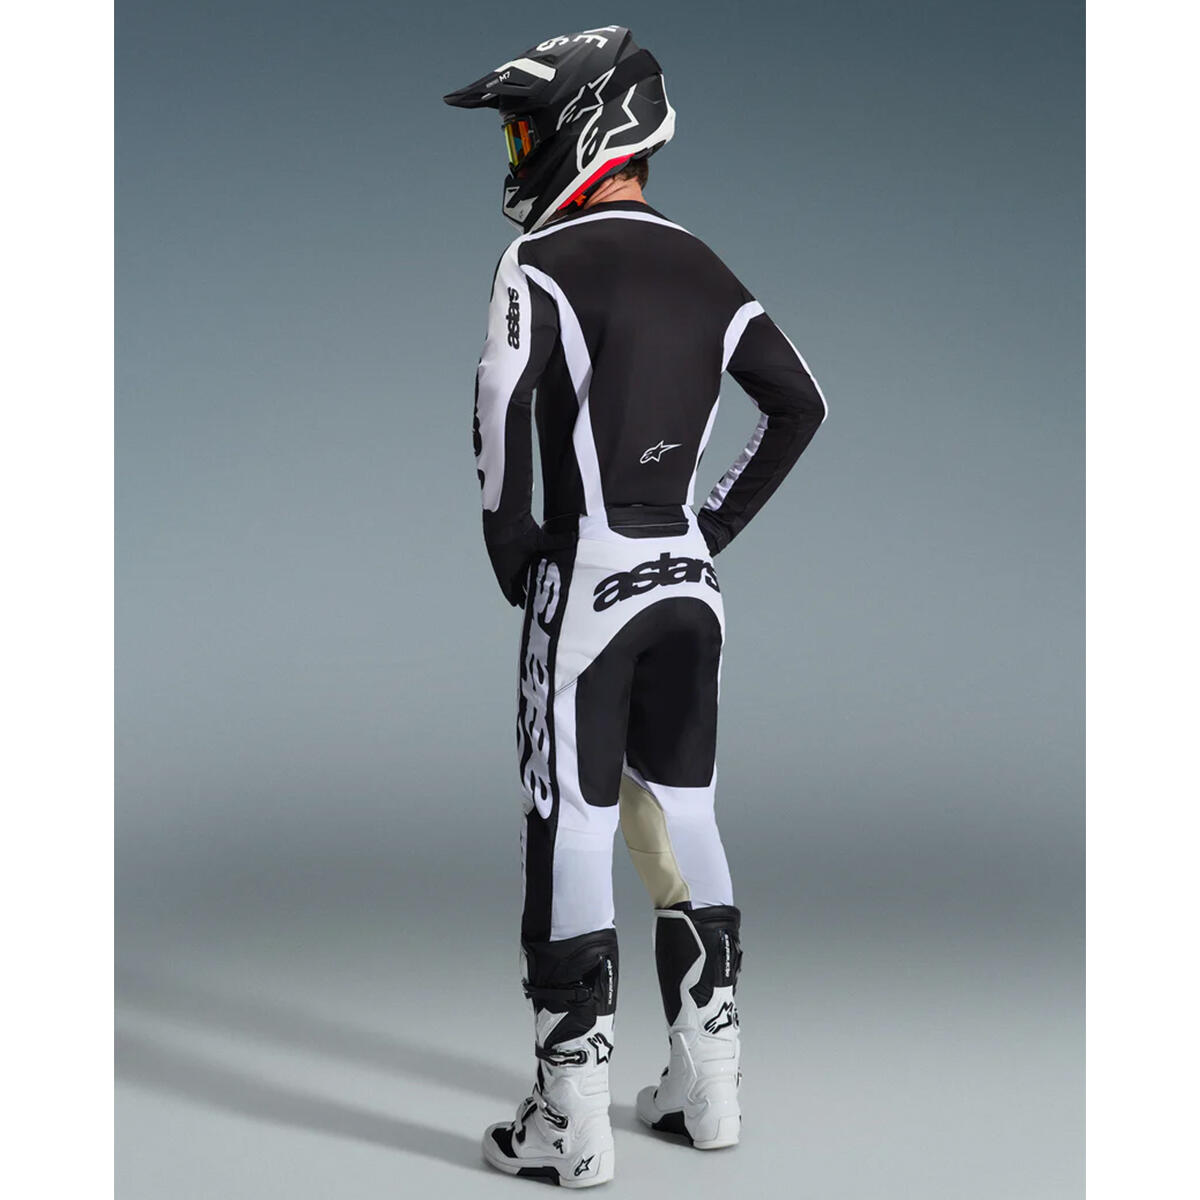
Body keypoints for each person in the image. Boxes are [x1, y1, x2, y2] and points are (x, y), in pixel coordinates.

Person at [444, 25, 826, 1188]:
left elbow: (500, 408)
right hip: (689, 587)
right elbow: (800, 404)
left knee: (573, 821)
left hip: (591, 579)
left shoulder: (539, 261)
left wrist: (516, 554)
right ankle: (711, 1094)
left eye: (525, 132)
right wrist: (710, 529)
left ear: (587, 126)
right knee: (685, 816)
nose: (517, 154)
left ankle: (571, 1121)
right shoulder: (710, 268)